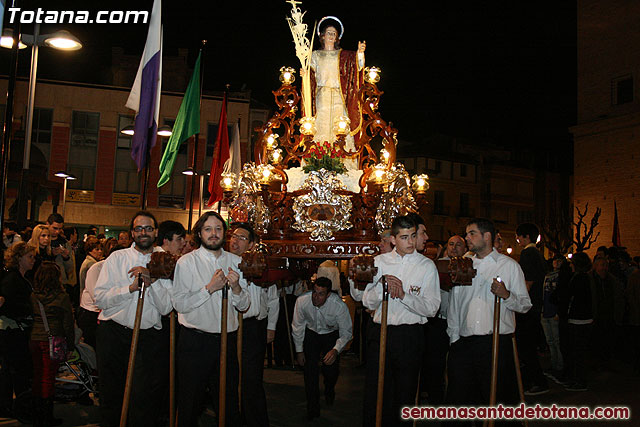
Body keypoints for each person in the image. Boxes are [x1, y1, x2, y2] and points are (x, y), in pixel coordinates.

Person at [94, 211, 173, 427]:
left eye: (148, 228)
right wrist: (130, 288)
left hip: (148, 339)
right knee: (111, 394)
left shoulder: (165, 260)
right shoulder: (117, 258)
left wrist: (152, 281)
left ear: (156, 231)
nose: (143, 232)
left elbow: (167, 307)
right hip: (115, 334)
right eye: (139, 228)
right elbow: (99, 299)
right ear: (132, 232)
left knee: (145, 397)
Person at [172, 211, 250, 427]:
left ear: (225, 233)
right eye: (208, 229)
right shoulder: (186, 262)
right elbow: (179, 304)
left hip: (227, 340)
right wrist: (209, 289)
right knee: (190, 402)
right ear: (199, 233)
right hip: (195, 342)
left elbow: (244, 305)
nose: (213, 233)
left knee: (228, 402)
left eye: (218, 228)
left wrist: (235, 288)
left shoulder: (236, 262)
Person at [361, 215, 440, 426]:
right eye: (405, 237)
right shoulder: (378, 262)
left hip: (410, 335)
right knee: (377, 391)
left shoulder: (426, 266)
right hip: (381, 332)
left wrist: (404, 295)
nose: (411, 242)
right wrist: (382, 287)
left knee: (405, 393)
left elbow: (432, 308)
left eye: (413, 236)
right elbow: (366, 302)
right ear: (394, 240)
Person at [447, 218, 532, 411]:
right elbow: (455, 304)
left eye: (472, 233)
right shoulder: (464, 265)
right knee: (461, 400)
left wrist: (506, 295)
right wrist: (454, 338)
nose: (467, 237)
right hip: (464, 343)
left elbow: (525, 305)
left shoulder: (509, 266)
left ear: (487, 236)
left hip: (495, 342)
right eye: (467, 233)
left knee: (496, 399)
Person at [229, 223, 278, 427]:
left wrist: (271, 327)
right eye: (233, 236)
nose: (235, 241)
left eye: (241, 237)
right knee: (232, 377)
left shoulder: (262, 265)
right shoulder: (224, 262)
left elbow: (273, 299)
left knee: (252, 379)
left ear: (251, 243)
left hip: (254, 327)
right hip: (232, 327)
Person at [292, 277, 352, 420]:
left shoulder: (338, 306)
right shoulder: (302, 301)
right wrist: (299, 351)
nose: (316, 297)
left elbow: (346, 333)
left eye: (321, 294)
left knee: (331, 371)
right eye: (314, 292)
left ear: (328, 294)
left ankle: (329, 388)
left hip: (331, 335)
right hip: (311, 334)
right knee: (310, 372)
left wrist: (336, 350)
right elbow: (297, 327)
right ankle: (313, 409)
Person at [306, 17, 366, 160]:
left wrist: (360, 53)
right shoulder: (315, 55)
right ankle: (317, 159)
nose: (331, 35)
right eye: (329, 32)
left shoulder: (343, 55)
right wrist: (305, 73)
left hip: (339, 96)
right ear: (322, 36)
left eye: (334, 33)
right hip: (322, 95)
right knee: (320, 125)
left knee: (340, 125)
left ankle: (341, 160)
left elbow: (356, 65)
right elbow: (310, 75)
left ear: (337, 37)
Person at [422, 234, 467, 405]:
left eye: (458, 245)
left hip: (461, 324)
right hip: (439, 321)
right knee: (435, 363)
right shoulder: (438, 265)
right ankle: (436, 400)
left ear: (465, 249)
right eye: (451, 244)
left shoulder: (469, 265)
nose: (454, 247)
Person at [29, 261, 74, 426]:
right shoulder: (62, 297)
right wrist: (71, 345)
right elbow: (68, 323)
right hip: (53, 339)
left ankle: (36, 413)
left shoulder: (33, 295)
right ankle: (46, 417)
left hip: (35, 338)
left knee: (38, 376)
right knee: (49, 378)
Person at [0, 242, 36, 421]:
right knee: (16, 371)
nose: (33, 260)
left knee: (9, 371)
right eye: (30, 257)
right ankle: (20, 410)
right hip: (12, 331)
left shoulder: (19, 278)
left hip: (14, 329)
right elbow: (4, 305)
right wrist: (25, 312)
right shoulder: (12, 279)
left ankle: (8, 407)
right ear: (19, 258)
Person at [515, 223, 549, 395]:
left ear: (526, 237)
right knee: (528, 346)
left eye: (519, 236)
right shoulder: (538, 254)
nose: (517, 240)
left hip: (528, 308)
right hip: (536, 306)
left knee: (526, 347)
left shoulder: (528, 254)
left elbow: (528, 282)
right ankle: (532, 380)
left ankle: (536, 381)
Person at [78, 243, 124, 350]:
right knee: (92, 346)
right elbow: (97, 297)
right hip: (91, 312)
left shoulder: (121, 271)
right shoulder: (97, 268)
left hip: (109, 313)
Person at [564, 252, 594, 391]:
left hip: (578, 318)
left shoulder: (579, 278)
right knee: (579, 351)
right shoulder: (586, 278)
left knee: (577, 351)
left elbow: (569, 295)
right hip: (585, 318)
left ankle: (579, 380)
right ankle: (579, 379)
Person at [541, 255, 564, 381]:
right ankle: (554, 363)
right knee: (550, 340)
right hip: (546, 311)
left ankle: (559, 365)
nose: (556, 263)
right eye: (555, 260)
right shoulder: (548, 275)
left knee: (556, 340)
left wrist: (558, 312)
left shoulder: (562, 276)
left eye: (559, 260)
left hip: (554, 312)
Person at [47, 214, 77, 307]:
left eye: (59, 229)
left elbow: (70, 267)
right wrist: (51, 254)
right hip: (44, 281)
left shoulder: (64, 243)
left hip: (60, 282)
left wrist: (66, 257)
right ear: (47, 224)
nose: (57, 231)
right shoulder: (41, 240)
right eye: (54, 228)